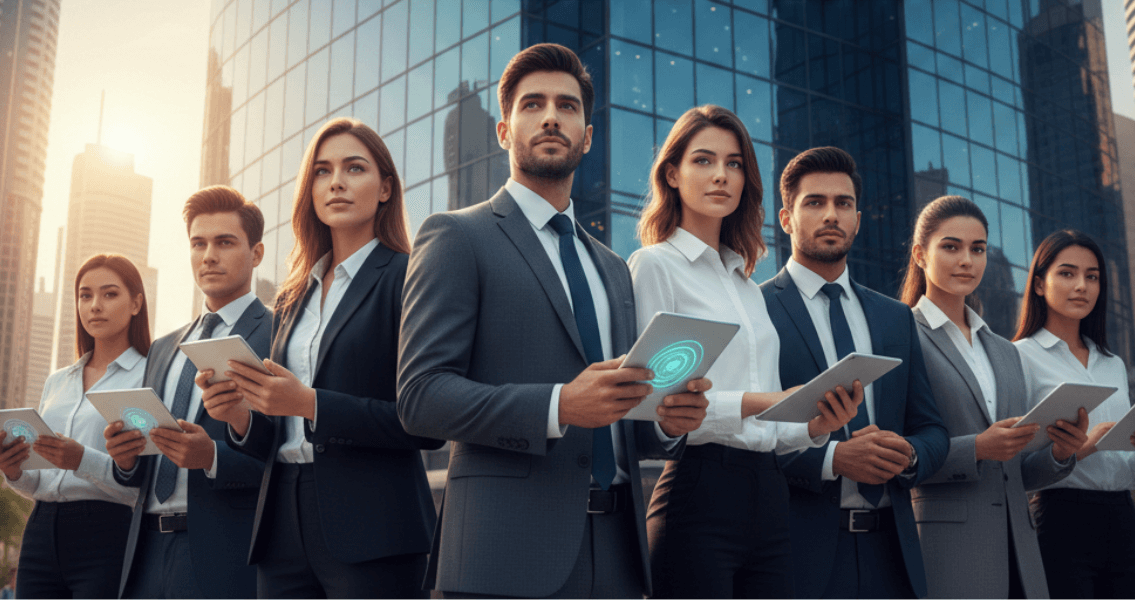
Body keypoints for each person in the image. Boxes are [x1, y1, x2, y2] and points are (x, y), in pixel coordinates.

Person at [398, 43, 710, 599]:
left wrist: (666, 420)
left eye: (567, 106)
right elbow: (421, 398)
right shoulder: (455, 236)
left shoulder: (613, 268)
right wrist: (558, 405)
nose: (550, 116)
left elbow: (622, 424)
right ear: (503, 130)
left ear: (586, 137)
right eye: (532, 104)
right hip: (502, 556)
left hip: (615, 553)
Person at [627, 105, 863, 599]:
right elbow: (658, 402)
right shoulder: (654, 266)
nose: (721, 176)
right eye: (704, 161)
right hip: (699, 492)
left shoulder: (748, 285)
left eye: (734, 164)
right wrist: (763, 401)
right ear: (672, 173)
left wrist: (815, 424)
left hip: (770, 498)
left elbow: (772, 434)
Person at [222, 117, 441, 599]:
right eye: (322, 171)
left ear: (385, 189)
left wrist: (311, 404)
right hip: (281, 525)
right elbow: (275, 432)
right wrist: (239, 414)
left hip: (376, 527)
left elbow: (426, 423)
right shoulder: (290, 297)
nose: (336, 181)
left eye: (354, 168)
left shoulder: (410, 277)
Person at [759, 146, 949, 599]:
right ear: (786, 219)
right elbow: (746, 436)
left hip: (893, 556)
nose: (831, 215)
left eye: (843, 204)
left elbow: (932, 428)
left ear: (858, 220)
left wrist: (907, 453)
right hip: (797, 558)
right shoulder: (755, 309)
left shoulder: (895, 317)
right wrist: (833, 460)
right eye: (815, 202)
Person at [900, 196, 1089, 598]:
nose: (967, 260)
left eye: (978, 248)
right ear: (920, 255)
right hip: (947, 552)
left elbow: (1017, 472)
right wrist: (977, 448)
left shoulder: (1005, 351)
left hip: (1020, 553)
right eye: (951, 247)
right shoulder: (901, 335)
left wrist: (1059, 453)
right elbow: (898, 455)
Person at [102, 186, 271, 599]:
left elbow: (286, 462)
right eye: (199, 243)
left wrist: (212, 457)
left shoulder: (279, 334)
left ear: (257, 254)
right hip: (145, 550)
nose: (208, 255)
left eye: (224, 242)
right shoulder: (163, 347)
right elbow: (146, 459)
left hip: (225, 553)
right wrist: (125, 459)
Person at [1013, 229, 1135, 599]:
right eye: (1067, 273)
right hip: (1059, 520)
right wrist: (1078, 449)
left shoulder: (1112, 363)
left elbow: (1126, 471)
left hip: (1123, 520)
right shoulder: (1018, 356)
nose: (1081, 285)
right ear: (1039, 284)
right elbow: (1014, 467)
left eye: (1092, 276)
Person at [0, 253, 147, 599]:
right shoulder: (58, 381)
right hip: (41, 531)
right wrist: (14, 471)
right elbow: (44, 481)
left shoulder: (148, 376)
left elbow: (145, 487)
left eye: (109, 294)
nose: (95, 306)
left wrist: (81, 460)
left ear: (136, 303)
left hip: (108, 533)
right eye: (85, 295)